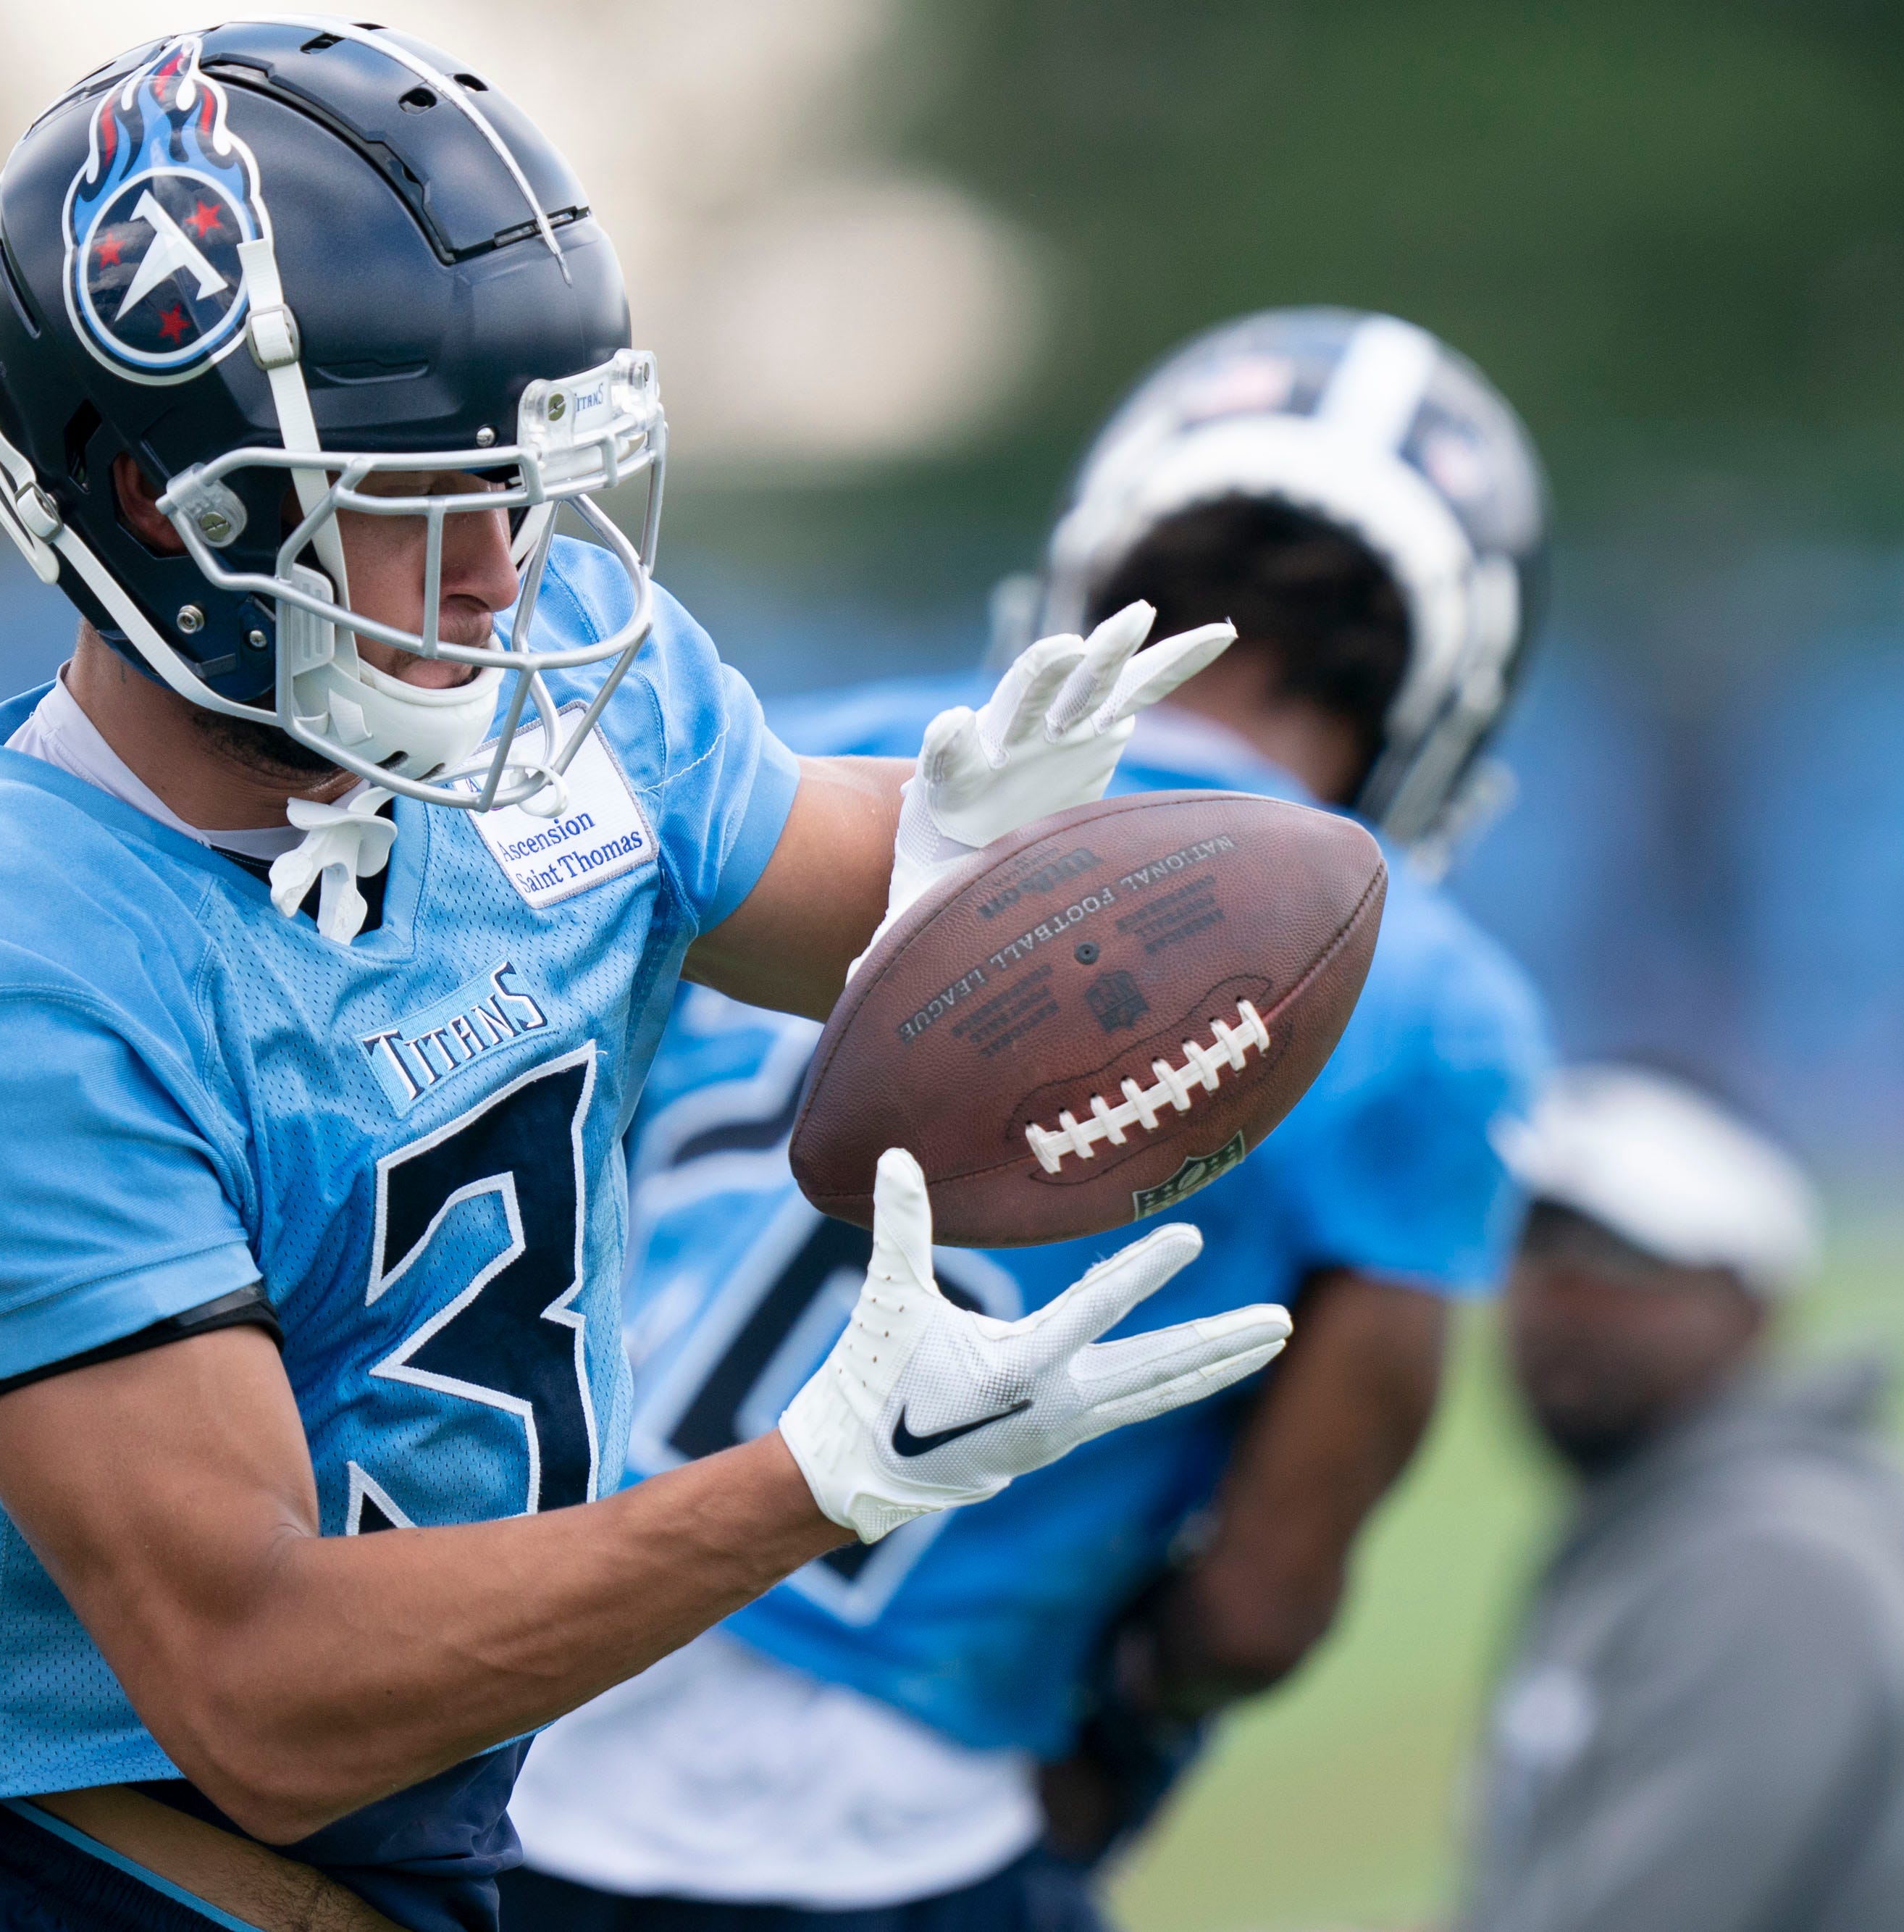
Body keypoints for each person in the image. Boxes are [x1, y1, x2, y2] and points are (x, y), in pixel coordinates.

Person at [0, 23, 1293, 1932]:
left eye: (517, 488)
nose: (506, 574)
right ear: (152, 506)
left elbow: (866, 907)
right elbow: (266, 1693)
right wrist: (818, 1476)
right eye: (416, 503)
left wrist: (975, 855)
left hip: (416, 1871)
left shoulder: (548, 678)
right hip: (50, 1887)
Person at [504, 307, 1555, 1932]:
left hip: (495, 1687)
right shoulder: (1427, 994)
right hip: (880, 1828)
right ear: (1444, 687)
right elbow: (1265, 1599)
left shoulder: (812, 761)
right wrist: (1115, 1751)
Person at [1459, 1066, 1904, 1932]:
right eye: (1530, 1243)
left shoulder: (1773, 1563)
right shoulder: (1665, 1526)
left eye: (1616, 1254)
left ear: (1753, 1301)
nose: (1557, 1295)